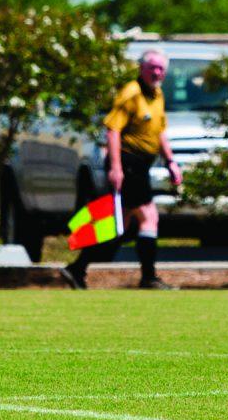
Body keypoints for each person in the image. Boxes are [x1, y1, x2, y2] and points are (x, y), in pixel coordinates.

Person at [63, 49, 182, 290]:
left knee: (121, 224)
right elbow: (113, 130)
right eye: (152, 68)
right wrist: (116, 168)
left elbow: (159, 132)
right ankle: (148, 277)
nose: (157, 73)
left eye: (161, 69)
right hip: (128, 162)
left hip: (142, 165)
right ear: (141, 69)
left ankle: (77, 268)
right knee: (148, 216)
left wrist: (170, 162)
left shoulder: (157, 95)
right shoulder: (131, 93)